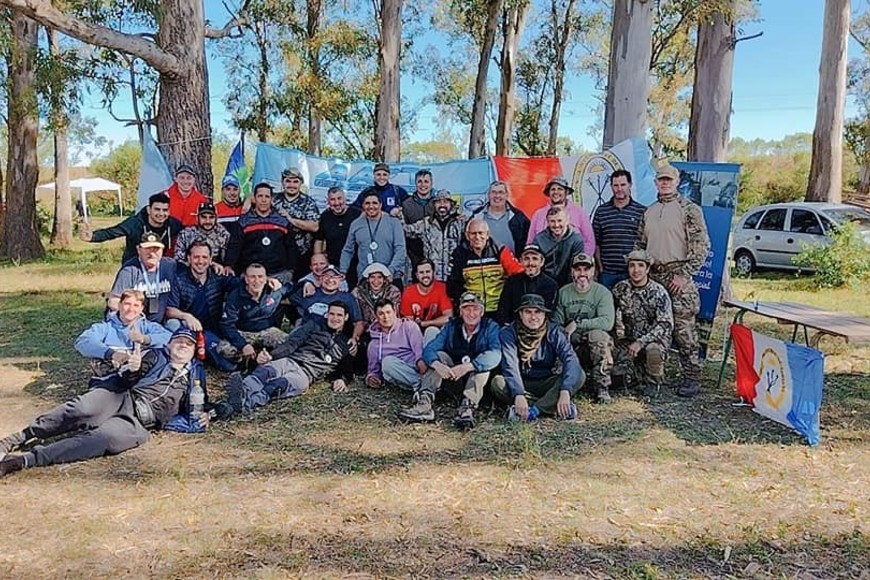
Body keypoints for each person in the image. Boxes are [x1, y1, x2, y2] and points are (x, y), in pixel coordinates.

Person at [0, 327, 207, 478]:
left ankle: (25, 460)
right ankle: (17, 438)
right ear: (169, 344)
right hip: (121, 397)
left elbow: (200, 406)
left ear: (193, 351)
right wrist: (133, 370)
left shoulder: (195, 375)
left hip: (140, 423)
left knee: (103, 440)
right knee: (81, 408)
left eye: (188, 344)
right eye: (179, 341)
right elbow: (128, 379)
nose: (183, 346)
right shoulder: (155, 356)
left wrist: (212, 414)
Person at [635, 163, 711, 398]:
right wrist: (641, 268)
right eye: (661, 180)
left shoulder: (689, 209)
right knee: (654, 326)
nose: (665, 183)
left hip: (678, 275)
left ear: (677, 181)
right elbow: (640, 244)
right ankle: (653, 375)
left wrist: (684, 274)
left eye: (669, 179)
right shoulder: (649, 211)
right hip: (654, 276)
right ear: (656, 183)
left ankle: (692, 376)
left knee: (683, 329)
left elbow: (702, 246)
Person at [217, 302, 354, 416]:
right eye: (332, 314)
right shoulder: (314, 325)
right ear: (327, 314)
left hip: (305, 375)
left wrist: (343, 379)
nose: (335, 318)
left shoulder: (345, 344)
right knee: (265, 372)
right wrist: (272, 356)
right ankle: (239, 394)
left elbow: (348, 369)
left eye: (339, 315)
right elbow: (292, 343)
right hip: (291, 360)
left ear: (346, 317)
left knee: (276, 385)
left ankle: (245, 404)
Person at [399, 292, 501, 429]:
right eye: (467, 309)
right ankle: (425, 404)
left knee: (483, 367)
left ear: (482, 312)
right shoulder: (451, 326)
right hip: (452, 377)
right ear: (460, 311)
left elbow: (496, 354)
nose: (471, 314)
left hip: (474, 381)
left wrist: (468, 367)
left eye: (476, 309)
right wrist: (438, 365)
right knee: (438, 355)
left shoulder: (490, 327)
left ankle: (467, 407)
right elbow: (430, 349)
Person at [491, 294, 583, 421]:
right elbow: (509, 365)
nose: (533, 317)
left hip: (547, 382)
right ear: (520, 314)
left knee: (579, 375)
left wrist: (565, 390)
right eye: (528, 312)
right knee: (497, 383)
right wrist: (518, 393)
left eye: (538, 312)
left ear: (544, 314)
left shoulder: (554, 331)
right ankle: (552, 406)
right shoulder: (508, 333)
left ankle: (534, 410)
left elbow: (570, 359)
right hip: (521, 382)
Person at [165, 241, 251, 371]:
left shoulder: (218, 276)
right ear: (189, 259)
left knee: (229, 364)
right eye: (196, 257)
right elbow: (169, 310)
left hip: (212, 329)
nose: (200, 261)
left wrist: (266, 280)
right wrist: (186, 316)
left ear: (211, 259)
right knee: (172, 324)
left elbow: (243, 284)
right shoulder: (179, 279)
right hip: (188, 330)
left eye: (204, 257)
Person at [553, 253, 615, 404]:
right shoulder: (563, 292)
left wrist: (578, 324)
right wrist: (565, 333)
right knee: (558, 335)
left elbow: (607, 322)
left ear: (593, 271)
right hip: (572, 341)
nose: (582, 274)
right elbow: (556, 322)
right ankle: (559, 384)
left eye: (586, 269)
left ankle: (602, 386)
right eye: (578, 269)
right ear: (572, 272)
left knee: (598, 336)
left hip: (593, 343)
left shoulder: (602, 293)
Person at [612, 250, 674, 393]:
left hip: (654, 340)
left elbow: (666, 325)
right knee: (617, 379)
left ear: (647, 269)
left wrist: (641, 342)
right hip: (629, 340)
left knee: (653, 350)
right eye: (632, 265)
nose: (636, 270)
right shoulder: (620, 288)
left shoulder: (659, 291)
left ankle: (654, 382)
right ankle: (634, 375)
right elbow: (611, 314)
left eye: (640, 265)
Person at [75, 289, 172, 377]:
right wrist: (112, 354)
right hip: (110, 377)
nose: (131, 309)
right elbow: (82, 342)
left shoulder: (148, 327)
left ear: (141, 308)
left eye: (136, 305)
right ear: (119, 305)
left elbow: (171, 339)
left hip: (142, 377)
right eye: (127, 304)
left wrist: (144, 339)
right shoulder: (105, 327)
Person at [224, 182, 299, 284]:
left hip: (278, 274)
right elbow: (235, 245)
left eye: (267, 196)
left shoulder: (282, 221)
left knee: (275, 295)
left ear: (271, 199)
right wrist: (229, 264)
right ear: (254, 198)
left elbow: (291, 247)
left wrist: (291, 269)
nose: (263, 200)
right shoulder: (243, 222)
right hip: (251, 274)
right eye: (260, 196)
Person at [217, 263, 293, 363]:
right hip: (244, 333)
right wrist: (243, 345)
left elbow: (291, 288)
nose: (257, 281)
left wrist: (308, 284)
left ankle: (267, 357)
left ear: (266, 278)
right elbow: (227, 325)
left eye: (260, 277)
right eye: (252, 277)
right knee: (223, 349)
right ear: (246, 279)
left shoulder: (274, 290)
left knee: (290, 343)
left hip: (268, 331)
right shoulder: (235, 296)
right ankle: (255, 358)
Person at [79, 192, 182, 264]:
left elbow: (188, 233)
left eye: (165, 210)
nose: (161, 214)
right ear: (148, 209)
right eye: (157, 209)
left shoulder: (173, 224)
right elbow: (114, 232)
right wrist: (93, 236)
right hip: (133, 265)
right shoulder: (135, 223)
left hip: (156, 265)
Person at [447, 219, 523, 316]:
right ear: (467, 235)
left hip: (499, 308)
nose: (477, 237)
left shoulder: (500, 250)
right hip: (472, 310)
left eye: (480, 233)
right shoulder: (459, 254)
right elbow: (454, 284)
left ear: (487, 234)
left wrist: (509, 300)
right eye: (473, 233)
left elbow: (518, 274)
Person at [592, 170, 647, 289]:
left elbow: (646, 242)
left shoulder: (642, 211)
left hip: (632, 273)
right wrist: (600, 268)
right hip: (607, 274)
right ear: (611, 186)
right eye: (615, 185)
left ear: (630, 185)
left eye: (623, 185)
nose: (619, 189)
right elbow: (595, 242)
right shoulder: (601, 211)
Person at [292, 265, 365, 352]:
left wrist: (354, 338)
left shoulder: (347, 298)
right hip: (304, 337)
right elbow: (288, 291)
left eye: (334, 277)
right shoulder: (309, 292)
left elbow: (359, 322)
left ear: (340, 279)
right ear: (320, 278)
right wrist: (306, 282)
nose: (330, 280)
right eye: (326, 276)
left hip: (332, 342)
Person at [107, 232, 176, 323]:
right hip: (133, 320)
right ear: (138, 249)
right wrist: (133, 315)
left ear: (162, 250)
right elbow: (113, 301)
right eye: (147, 248)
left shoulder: (170, 265)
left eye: (156, 249)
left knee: (174, 325)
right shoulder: (129, 270)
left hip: (162, 322)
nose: (152, 253)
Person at [340, 190, 407, 284]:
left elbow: (400, 249)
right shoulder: (356, 224)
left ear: (380, 205)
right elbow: (348, 250)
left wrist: (390, 270)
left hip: (391, 277)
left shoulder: (393, 222)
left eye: (374, 203)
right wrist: (343, 270)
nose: (371, 206)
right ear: (363, 206)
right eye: (367, 203)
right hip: (365, 278)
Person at [401, 189, 464, 282]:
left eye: (446, 201)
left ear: (451, 204)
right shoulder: (426, 223)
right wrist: (399, 216)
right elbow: (406, 231)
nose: (442, 205)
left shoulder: (460, 223)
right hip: (432, 277)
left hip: (454, 277)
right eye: (439, 202)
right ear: (434, 205)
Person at [366, 299, 426, 392]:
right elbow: (373, 370)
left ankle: (426, 384)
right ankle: (425, 386)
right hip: (398, 371)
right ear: (376, 316)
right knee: (387, 363)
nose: (386, 317)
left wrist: (421, 363)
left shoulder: (408, 326)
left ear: (395, 312)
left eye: (388, 312)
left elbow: (419, 349)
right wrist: (372, 378)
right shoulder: (374, 345)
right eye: (381, 314)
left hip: (416, 365)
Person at [527, 176, 595, 255]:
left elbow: (589, 241)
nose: (556, 192)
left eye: (560, 189)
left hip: (572, 264)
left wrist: (581, 262)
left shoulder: (579, 212)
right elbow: (530, 243)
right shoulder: (538, 215)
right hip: (545, 264)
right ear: (548, 192)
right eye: (553, 189)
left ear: (566, 192)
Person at [496, 243, 558, 325]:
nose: (530, 263)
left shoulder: (550, 284)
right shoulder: (512, 282)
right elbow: (504, 310)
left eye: (535, 259)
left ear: (542, 262)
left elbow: (550, 314)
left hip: (541, 328)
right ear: (520, 261)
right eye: (526, 259)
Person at [313, 186, 362, 287]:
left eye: (339, 198)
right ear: (328, 201)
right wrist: (318, 261)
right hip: (334, 265)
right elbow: (319, 240)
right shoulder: (325, 217)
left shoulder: (358, 214)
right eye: (332, 199)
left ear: (345, 199)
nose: (336, 203)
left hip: (357, 264)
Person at [399, 259, 453, 344]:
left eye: (428, 271)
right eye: (421, 272)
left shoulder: (442, 288)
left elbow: (448, 318)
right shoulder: (408, 292)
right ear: (416, 275)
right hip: (416, 332)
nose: (425, 275)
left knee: (432, 330)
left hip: (438, 331)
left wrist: (425, 323)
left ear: (433, 273)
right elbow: (408, 323)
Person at [274, 167, 320, 263]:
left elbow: (314, 227)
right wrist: (248, 200)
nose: (291, 185)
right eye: (288, 181)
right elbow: (256, 196)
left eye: (295, 181)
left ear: (300, 183)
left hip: (302, 254)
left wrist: (290, 219)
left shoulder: (308, 202)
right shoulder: (274, 199)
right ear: (282, 182)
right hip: (277, 253)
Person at [470, 180, 530, 254]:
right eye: (494, 192)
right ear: (488, 195)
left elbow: (527, 241)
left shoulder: (519, 217)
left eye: (501, 192)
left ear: (506, 195)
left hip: (512, 262)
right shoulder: (476, 216)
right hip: (486, 263)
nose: (497, 196)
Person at [533, 205, 586, 286]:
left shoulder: (576, 239)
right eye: (552, 221)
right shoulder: (539, 239)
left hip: (569, 283)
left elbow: (576, 266)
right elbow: (536, 266)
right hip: (544, 282)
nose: (556, 225)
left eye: (560, 220)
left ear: (567, 220)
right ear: (547, 222)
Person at [173, 202, 232, 271]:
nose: (207, 221)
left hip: (216, 272)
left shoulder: (223, 234)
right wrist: (208, 264)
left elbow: (227, 260)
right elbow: (178, 260)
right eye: (203, 217)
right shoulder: (185, 234)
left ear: (216, 218)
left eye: (211, 217)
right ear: (197, 218)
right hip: (190, 271)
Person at [399, 169, 436, 267]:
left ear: (431, 184)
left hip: (435, 252)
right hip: (414, 253)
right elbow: (403, 230)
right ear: (415, 183)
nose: (423, 185)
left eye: (426, 181)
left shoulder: (437, 203)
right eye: (419, 181)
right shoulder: (406, 204)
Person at [351, 262, 402, 326]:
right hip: (364, 329)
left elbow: (396, 315)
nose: (376, 281)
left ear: (384, 279)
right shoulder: (357, 292)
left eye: (379, 277)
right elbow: (356, 317)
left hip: (388, 326)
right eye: (372, 277)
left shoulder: (393, 292)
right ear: (367, 279)